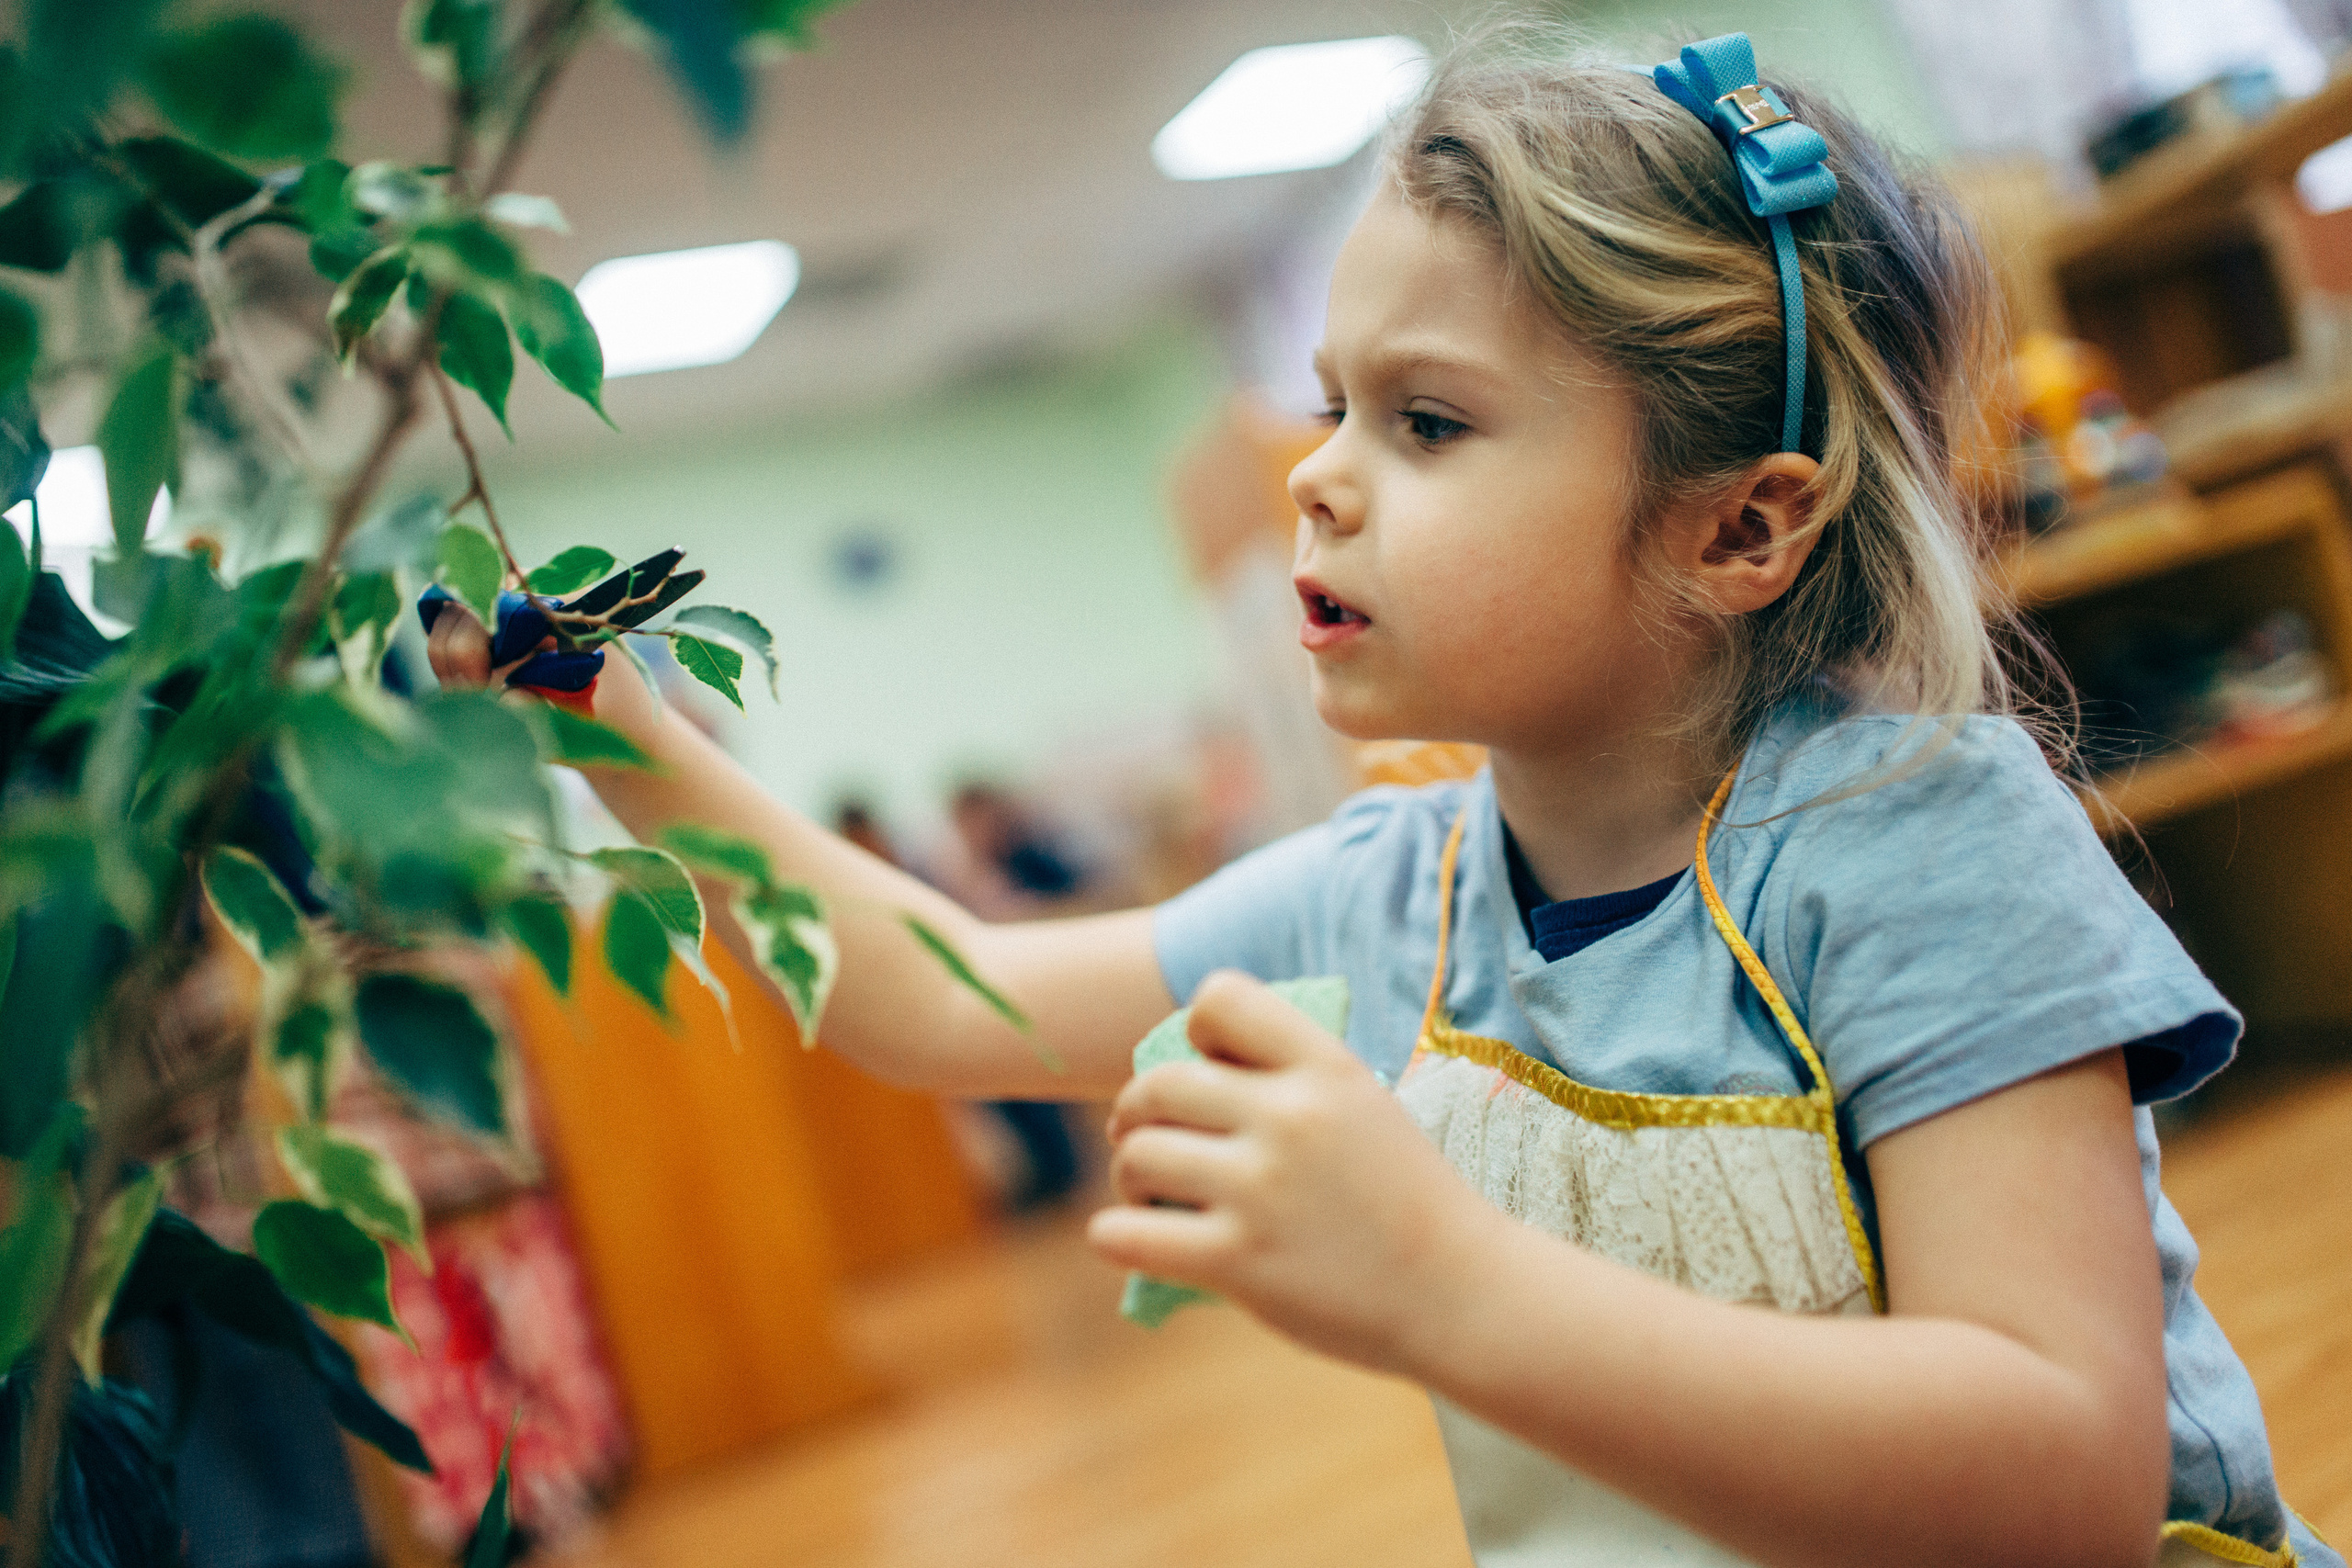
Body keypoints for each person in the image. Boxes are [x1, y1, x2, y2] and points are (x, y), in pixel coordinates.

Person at [426, 28, 2336, 1568]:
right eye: (1330, 404)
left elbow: (2061, 1487)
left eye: (1423, 423)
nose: (1316, 479)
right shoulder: (1395, 889)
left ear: (1736, 523)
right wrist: (607, 725)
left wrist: (1442, 1282)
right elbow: (936, 994)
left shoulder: (1913, 840)